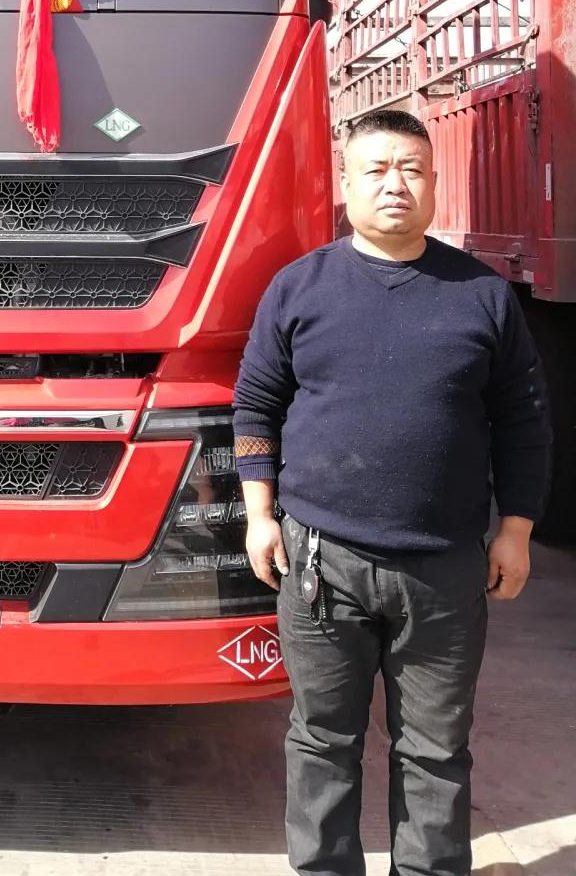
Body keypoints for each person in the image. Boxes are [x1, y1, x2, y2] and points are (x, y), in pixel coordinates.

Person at [232, 108, 551, 876]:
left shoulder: (482, 296)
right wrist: (259, 514)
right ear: (346, 185)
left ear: (434, 183)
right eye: (376, 169)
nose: (395, 184)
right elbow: (255, 407)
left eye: (411, 169)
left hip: (443, 569)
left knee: (436, 749)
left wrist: (516, 529)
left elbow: (524, 418)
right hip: (322, 562)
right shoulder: (299, 288)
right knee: (322, 740)